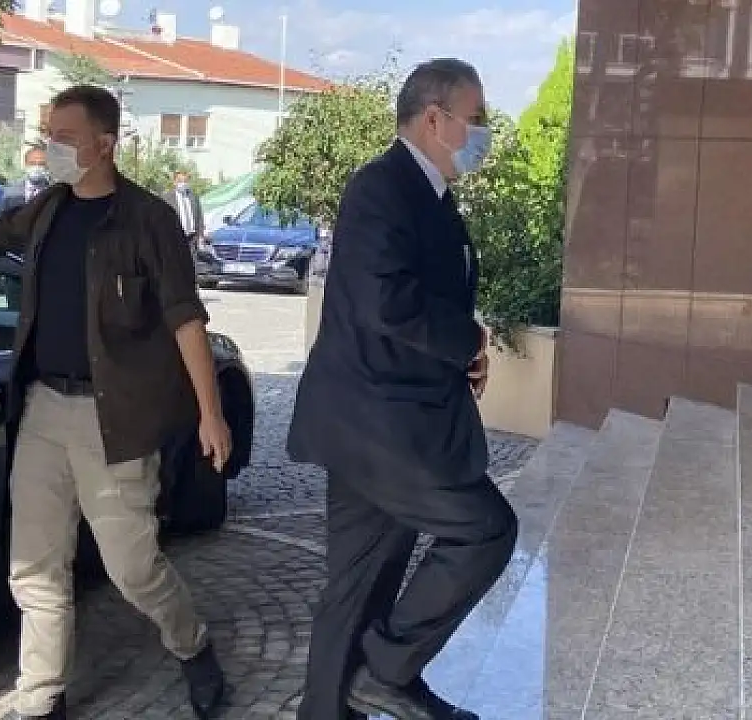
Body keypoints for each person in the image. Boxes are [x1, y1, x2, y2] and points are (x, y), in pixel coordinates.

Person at [0, 85, 231, 720]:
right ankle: (43, 694)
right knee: (33, 566)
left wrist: (211, 412)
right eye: (48, 135)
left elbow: (186, 320)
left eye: (64, 137)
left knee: (133, 567)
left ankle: (192, 645)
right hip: (43, 408)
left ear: (104, 144)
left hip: (113, 420)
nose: (51, 148)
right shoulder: (47, 209)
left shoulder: (148, 220)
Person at [287, 58, 515, 720]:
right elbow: (385, 300)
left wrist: (463, 350)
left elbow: (419, 302)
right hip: (379, 426)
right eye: (476, 119)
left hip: (384, 420)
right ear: (434, 119)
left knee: (357, 586)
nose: (483, 134)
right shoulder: (381, 187)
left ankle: (339, 705)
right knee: (485, 530)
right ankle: (387, 672)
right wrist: (465, 341)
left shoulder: (432, 196)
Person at [164, 170, 205, 246]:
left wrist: (201, 236)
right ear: (174, 182)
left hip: (193, 238)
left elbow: (199, 218)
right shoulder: (167, 199)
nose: (183, 184)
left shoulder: (194, 196)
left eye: (185, 181)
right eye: (180, 181)